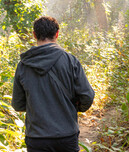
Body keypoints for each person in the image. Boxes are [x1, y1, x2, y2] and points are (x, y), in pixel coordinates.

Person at [12, 16, 95, 152]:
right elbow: (87, 96)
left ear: (34, 35)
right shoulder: (70, 61)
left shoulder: (23, 65)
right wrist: (74, 108)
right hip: (66, 135)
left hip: (37, 138)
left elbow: (18, 104)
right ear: (57, 34)